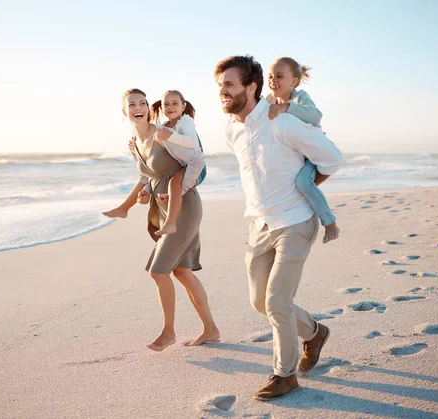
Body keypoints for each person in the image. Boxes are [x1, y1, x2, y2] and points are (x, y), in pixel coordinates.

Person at [214, 56, 342, 400]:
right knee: (260, 301)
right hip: (258, 223)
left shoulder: (281, 120)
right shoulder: (231, 130)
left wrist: (307, 185)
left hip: (295, 220)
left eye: (229, 84)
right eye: (220, 86)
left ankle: (284, 375)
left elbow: (332, 156)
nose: (222, 92)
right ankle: (314, 333)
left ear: (251, 86)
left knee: (276, 300)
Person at [103, 88, 219, 351]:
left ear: (148, 107)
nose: (138, 107)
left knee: (158, 271)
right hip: (163, 208)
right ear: (125, 111)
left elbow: (194, 160)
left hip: (184, 207)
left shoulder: (164, 135)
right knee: (182, 272)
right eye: (131, 104)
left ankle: (168, 332)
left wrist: (179, 187)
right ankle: (211, 329)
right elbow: (148, 176)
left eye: (142, 102)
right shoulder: (135, 143)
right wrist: (144, 192)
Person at [266, 57, 340, 243]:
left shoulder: (300, 97)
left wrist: (288, 107)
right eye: (270, 76)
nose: (273, 81)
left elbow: (315, 116)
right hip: (293, 154)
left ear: (294, 81)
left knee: (303, 183)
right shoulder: (269, 100)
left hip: (311, 156)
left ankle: (329, 222)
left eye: (279, 76)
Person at [148, 90, 206, 235]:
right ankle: (170, 198)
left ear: (183, 106)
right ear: (161, 108)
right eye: (166, 104)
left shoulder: (186, 122)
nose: (170, 107)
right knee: (169, 181)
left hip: (197, 165)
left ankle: (170, 223)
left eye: (175, 103)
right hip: (183, 164)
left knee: (174, 183)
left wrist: (171, 135)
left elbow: (191, 143)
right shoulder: (164, 126)